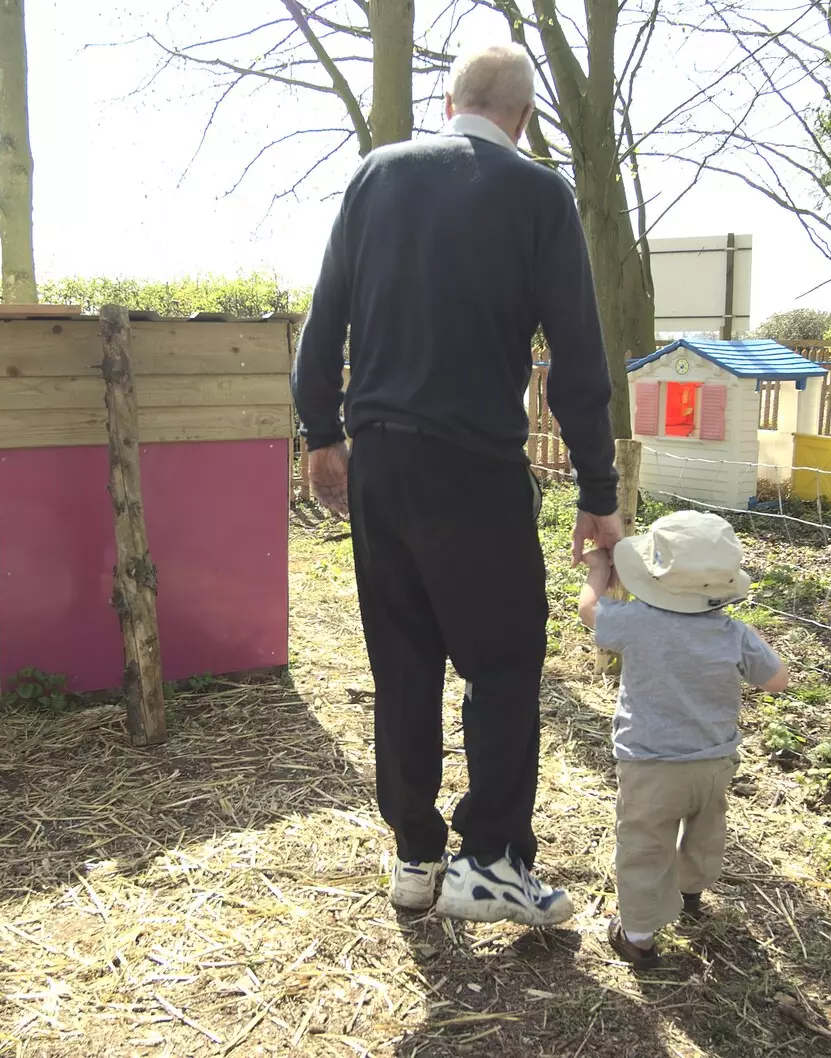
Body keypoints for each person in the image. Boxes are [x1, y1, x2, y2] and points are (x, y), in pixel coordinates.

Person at [291, 42, 622, 926]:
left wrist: (321, 433)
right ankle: (493, 862)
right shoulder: (537, 192)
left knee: (402, 663)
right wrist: (599, 486)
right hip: (473, 470)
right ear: (521, 118)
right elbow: (578, 361)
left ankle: (413, 856)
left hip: (380, 464)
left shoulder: (375, 177)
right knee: (504, 662)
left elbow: (324, 322)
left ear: (448, 103)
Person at [578, 511, 790, 968]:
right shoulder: (732, 632)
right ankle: (691, 891)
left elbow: (589, 612)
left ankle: (637, 935)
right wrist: (751, 640)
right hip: (714, 762)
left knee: (644, 843)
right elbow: (777, 680)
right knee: (705, 830)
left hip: (650, 763)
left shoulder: (637, 622)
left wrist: (598, 571)